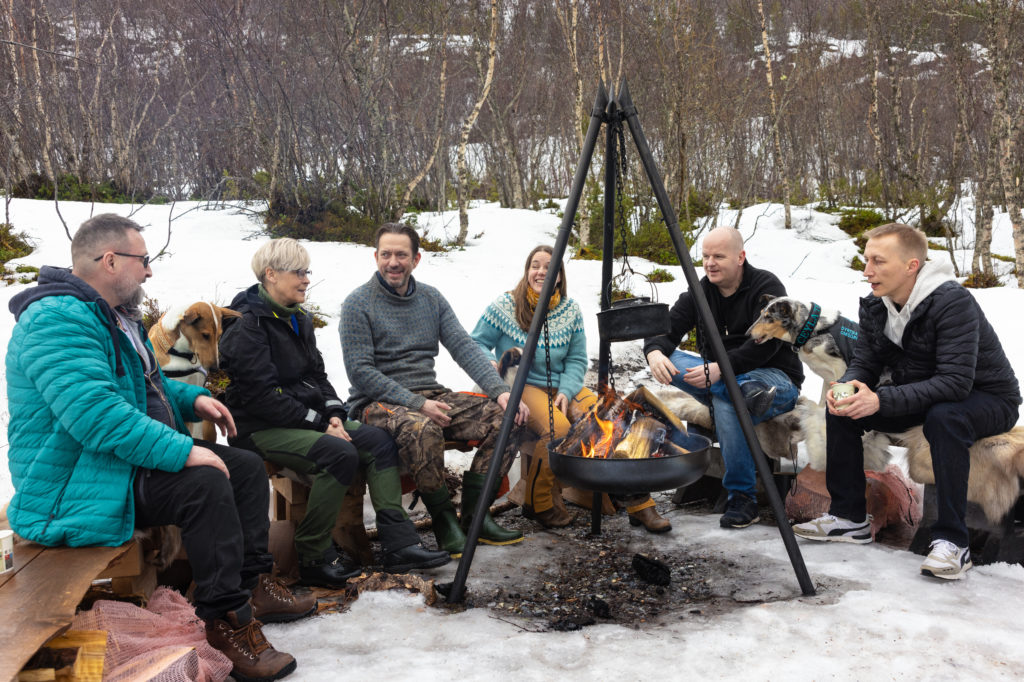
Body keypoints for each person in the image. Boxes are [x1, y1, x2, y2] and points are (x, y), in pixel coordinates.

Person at [6, 214, 304, 682]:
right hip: (76, 483)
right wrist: (182, 451)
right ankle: (225, 621)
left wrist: (193, 397)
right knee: (204, 482)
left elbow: (142, 384)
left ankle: (251, 584)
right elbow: (96, 415)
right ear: (110, 261)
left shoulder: (108, 315)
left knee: (243, 467)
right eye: (143, 260)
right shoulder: (57, 320)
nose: (148, 272)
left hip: (113, 466)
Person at [793, 223, 1021, 580]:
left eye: (878, 262)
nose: (867, 271)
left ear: (911, 265)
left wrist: (880, 401)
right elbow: (866, 361)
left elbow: (955, 382)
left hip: (987, 399)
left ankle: (952, 543)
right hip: (926, 395)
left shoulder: (952, 302)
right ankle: (849, 518)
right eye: (866, 260)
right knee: (842, 409)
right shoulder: (875, 305)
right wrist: (850, 387)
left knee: (945, 418)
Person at [219, 238, 449, 584]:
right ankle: (313, 554)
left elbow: (318, 378)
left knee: (378, 440)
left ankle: (399, 543)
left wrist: (334, 414)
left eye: (306, 271)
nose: (306, 279)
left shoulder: (298, 319)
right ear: (271, 275)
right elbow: (261, 397)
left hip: (303, 421)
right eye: (298, 272)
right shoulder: (247, 325)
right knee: (339, 453)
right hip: (258, 429)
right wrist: (318, 424)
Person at [340, 222, 530, 556]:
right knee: (423, 427)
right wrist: (415, 402)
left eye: (401, 254)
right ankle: (443, 520)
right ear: (375, 257)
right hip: (376, 403)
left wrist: (501, 392)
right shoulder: (357, 304)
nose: (393, 262)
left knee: (508, 416)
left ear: (416, 259)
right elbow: (360, 372)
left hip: (430, 394)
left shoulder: (430, 298)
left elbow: (464, 346)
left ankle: (476, 516)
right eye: (386, 254)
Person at [470, 245, 671, 532]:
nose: (541, 272)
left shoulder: (570, 310)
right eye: (535, 265)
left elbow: (577, 358)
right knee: (559, 430)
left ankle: (640, 505)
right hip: (523, 383)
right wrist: (491, 361)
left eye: (549, 266)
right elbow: (475, 341)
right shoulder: (505, 306)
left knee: (616, 417)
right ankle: (539, 502)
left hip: (563, 386)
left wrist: (566, 390)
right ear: (527, 271)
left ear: (560, 277)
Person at [644, 226, 803, 529]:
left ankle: (742, 497)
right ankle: (739, 392)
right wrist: (654, 352)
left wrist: (721, 370)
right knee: (679, 362)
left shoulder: (766, 287)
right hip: (722, 376)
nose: (709, 263)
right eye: (705, 256)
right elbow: (667, 329)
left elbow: (765, 345)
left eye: (718, 256)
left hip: (774, 376)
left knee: (727, 399)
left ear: (740, 257)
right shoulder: (700, 291)